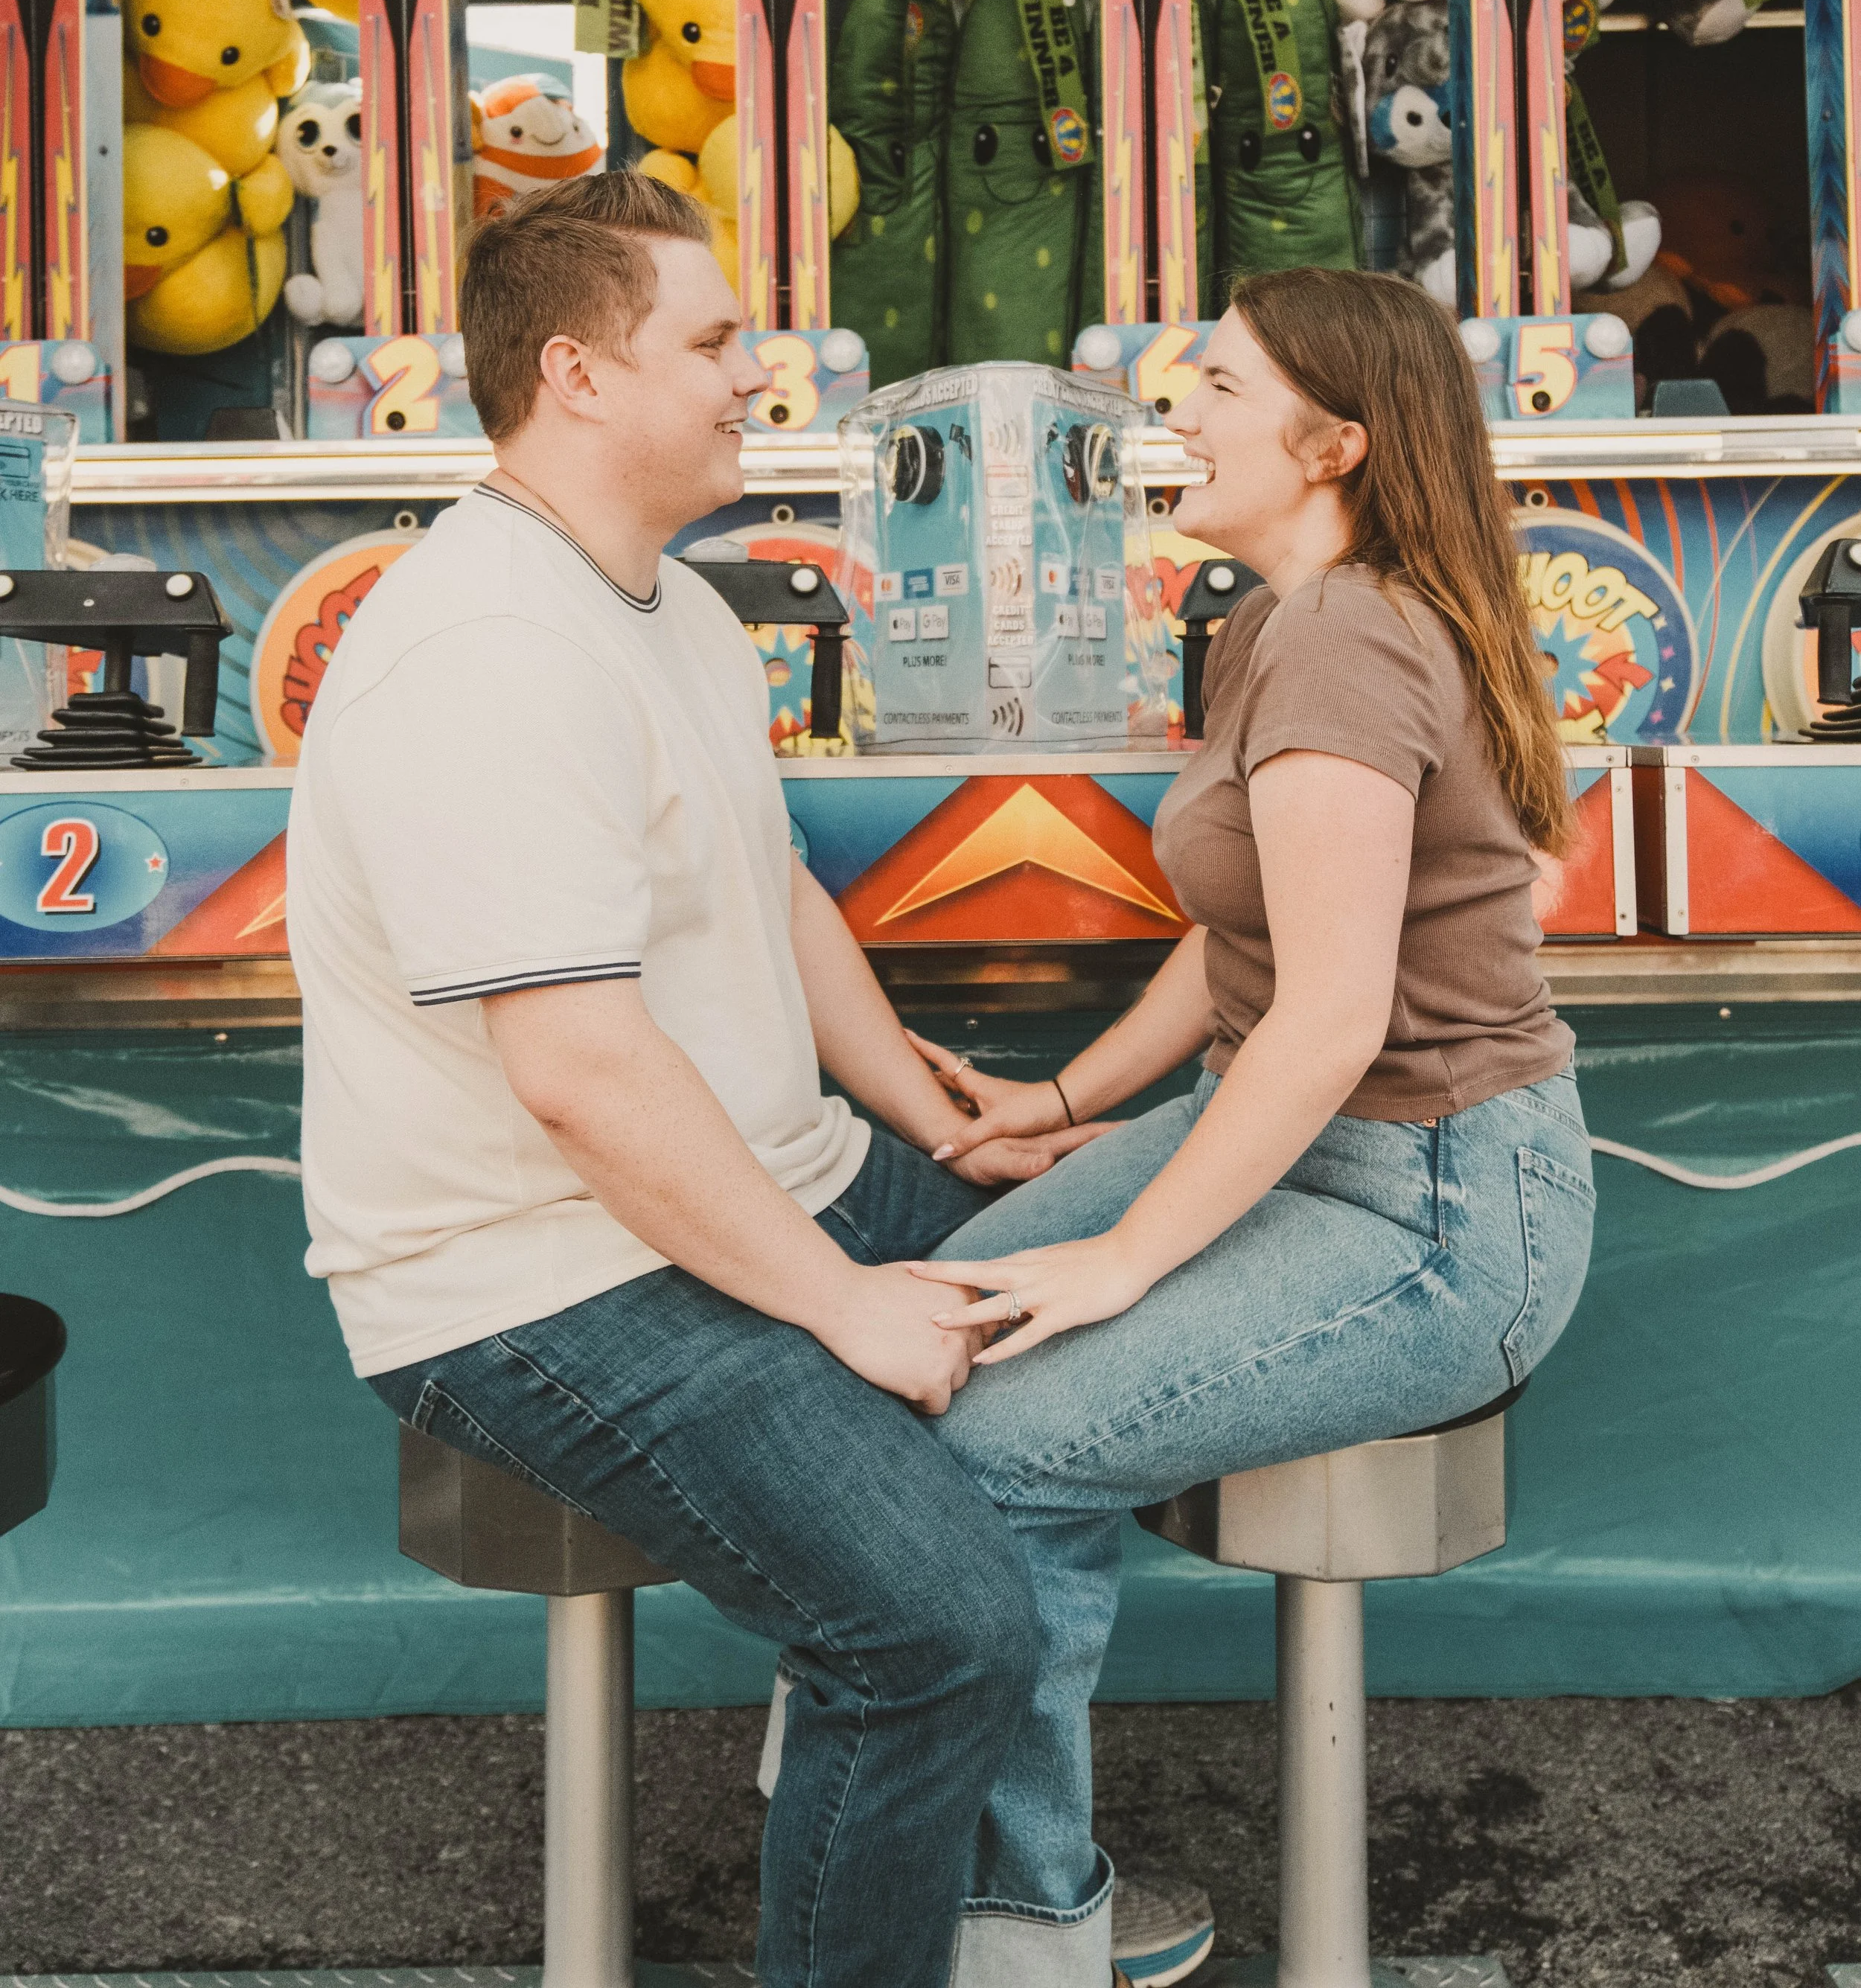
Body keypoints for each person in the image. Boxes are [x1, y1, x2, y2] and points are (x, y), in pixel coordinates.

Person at [284, 171, 1116, 1988]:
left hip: (759, 1175)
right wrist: (844, 1309)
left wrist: (929, 1112)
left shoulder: (654, 599)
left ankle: (991, 1876)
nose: (762, 372)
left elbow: (771, 883)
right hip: (537, 1273)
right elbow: (579, 1074)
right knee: (941, 1631)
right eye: (718, 340)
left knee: (1111, 1266)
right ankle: (889, 1793)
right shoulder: (486, 651)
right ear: (577, 375)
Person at [907, 266, 1597, 1967]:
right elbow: (1243, 948)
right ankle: (886, 1814)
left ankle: (1014, 1923)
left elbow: (1334, 1013)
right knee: (919, 1329)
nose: (1176, 411)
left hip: (1436, 1213)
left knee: (993, 1446)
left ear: (1333, 442)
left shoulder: (1351, 633)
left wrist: (1126, 1259)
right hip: (1305, 1142)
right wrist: (1058, 1102)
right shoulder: (1278, 618)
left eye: (1218, 384)